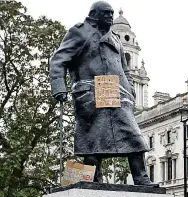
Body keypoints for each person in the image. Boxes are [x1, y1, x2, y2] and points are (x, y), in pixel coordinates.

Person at [50, 1, 153, 186]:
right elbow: (58, 60)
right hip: (90, 93)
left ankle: (141, 177)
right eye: (106, 13)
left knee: (133, 135)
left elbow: (125, 69)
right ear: (94, 14)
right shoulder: (79, 32)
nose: (110, 16)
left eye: (111, 13)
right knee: (92, 138)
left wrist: (129, 90)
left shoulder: (115, 38)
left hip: (117, 93)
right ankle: (93, 178)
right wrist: (59, 86)